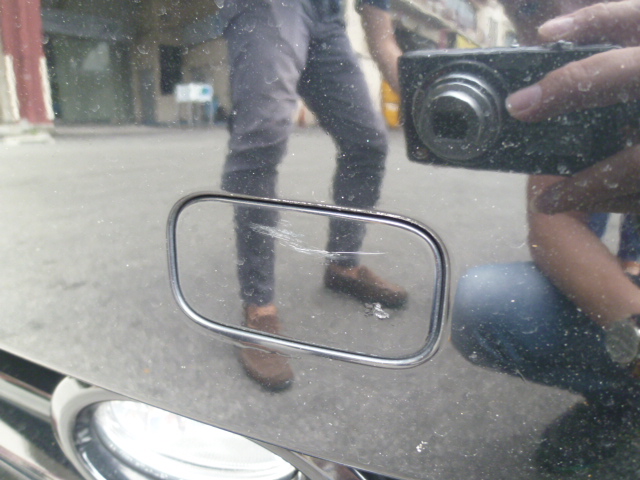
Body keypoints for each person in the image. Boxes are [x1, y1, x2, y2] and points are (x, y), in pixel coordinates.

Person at [452, 0, 640, 471]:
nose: (555, 28)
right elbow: (553, 220)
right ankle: (626, 402)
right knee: (486, 302)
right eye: (528, 9)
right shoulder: (570, 82)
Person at [219, 0, 407, 391]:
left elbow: (382, 39)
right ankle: (258, 309)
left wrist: (420, 97)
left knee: (368, 141)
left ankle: (343, 267)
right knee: (262, 135)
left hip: (329, 18)